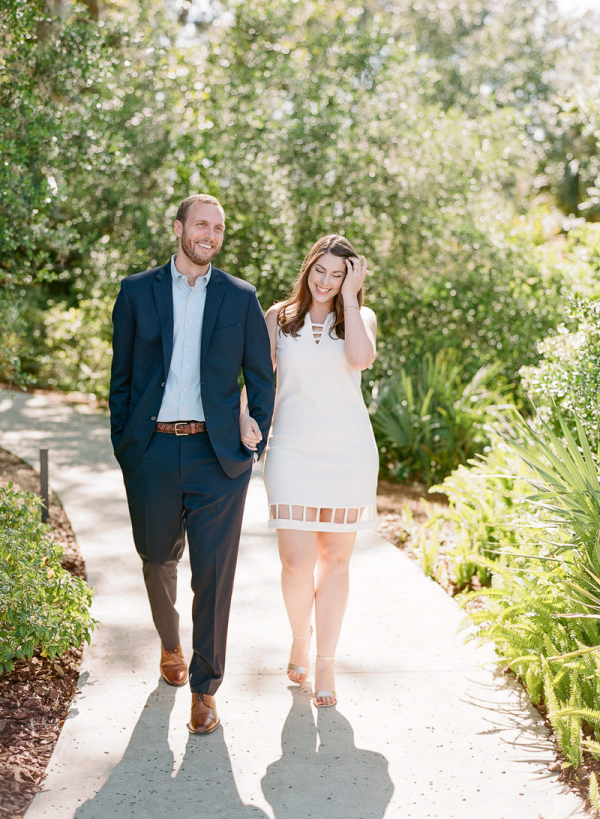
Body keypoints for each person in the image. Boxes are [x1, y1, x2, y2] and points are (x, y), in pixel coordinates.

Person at [109, 193, 274, 734]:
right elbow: (123, 377)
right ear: (178, 228)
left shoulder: (239, 296)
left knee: (214, 574)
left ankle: (205, 689)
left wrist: (256, 435)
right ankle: (171, 644)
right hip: (152, 450)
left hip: (218, 457)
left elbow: (261, 374)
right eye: (201, 224)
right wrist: (126, 446)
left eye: (219, 227)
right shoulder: (137, 291)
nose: (211, 234)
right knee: (157, 559)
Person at [240, 235, 378, 707]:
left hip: (348, 454)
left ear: (350, 278)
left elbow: (360, 360)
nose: (325, 281)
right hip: (292, 450)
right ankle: (301, 637)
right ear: (307, 269)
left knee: (335, 561)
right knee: (296, 564)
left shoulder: (360, 319)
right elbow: (260, 378)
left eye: (338, 274)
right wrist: (245, 413)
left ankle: (325, 665)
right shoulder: (278, 318)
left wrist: (349, 300)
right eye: (320, 271)